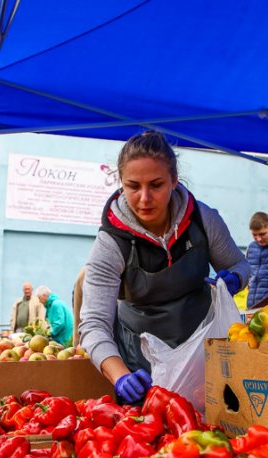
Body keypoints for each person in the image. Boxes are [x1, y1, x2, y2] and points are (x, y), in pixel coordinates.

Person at [79, 130, 249, 404]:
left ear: (174, 180)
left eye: (156, 185)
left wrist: (235, 279)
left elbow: (239, 264)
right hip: (142, 366)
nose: (144, 198)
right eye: (133, 186)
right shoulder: (111, 243)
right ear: (121, 183)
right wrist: (121, 376)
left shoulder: (204, 221)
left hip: (203, 356)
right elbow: (93, 324)